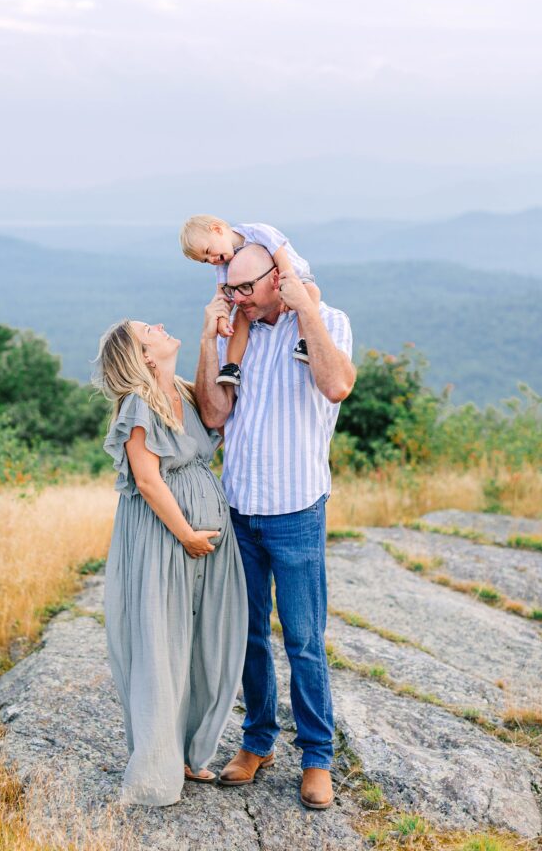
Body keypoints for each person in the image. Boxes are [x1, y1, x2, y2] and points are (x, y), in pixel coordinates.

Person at [194, 245, 355, 811]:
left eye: (244, 289)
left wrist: (303, 309)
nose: (235, 298)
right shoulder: (236, 331)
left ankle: (316, 757)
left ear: (276, 279)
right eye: (230, 289)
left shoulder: (327, 321)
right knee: (249, 636)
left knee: (305, 641)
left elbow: (336, 387)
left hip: (296, 511)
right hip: (239, 507)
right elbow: (213, 414)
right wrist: (207, 336)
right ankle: (257, 741)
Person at [96, 319, 247, 807]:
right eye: (149, 329)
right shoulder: (140, 405)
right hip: (167, 540)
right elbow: (147, 479)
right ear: (144, 355)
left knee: (203, 640)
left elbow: (224, 402)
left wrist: (229, 324)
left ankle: (187, 750)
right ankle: (156, 768)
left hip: (201, 543)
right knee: (164, 641)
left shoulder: (180, 390)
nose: (160, 326)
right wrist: (185, 535)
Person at [180, 215, 320, 386]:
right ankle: (232, 367)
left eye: (208, 251)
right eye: (205, 260)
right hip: (265, 293)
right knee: (240, 316)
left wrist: (287, 290)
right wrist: (223, 318)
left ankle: (305, 341)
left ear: (217, 229)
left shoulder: (257, 232)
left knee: (311, 292)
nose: (211, 260)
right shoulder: (223, 264)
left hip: (294, 277)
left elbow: (283, 261)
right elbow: (222, 296)